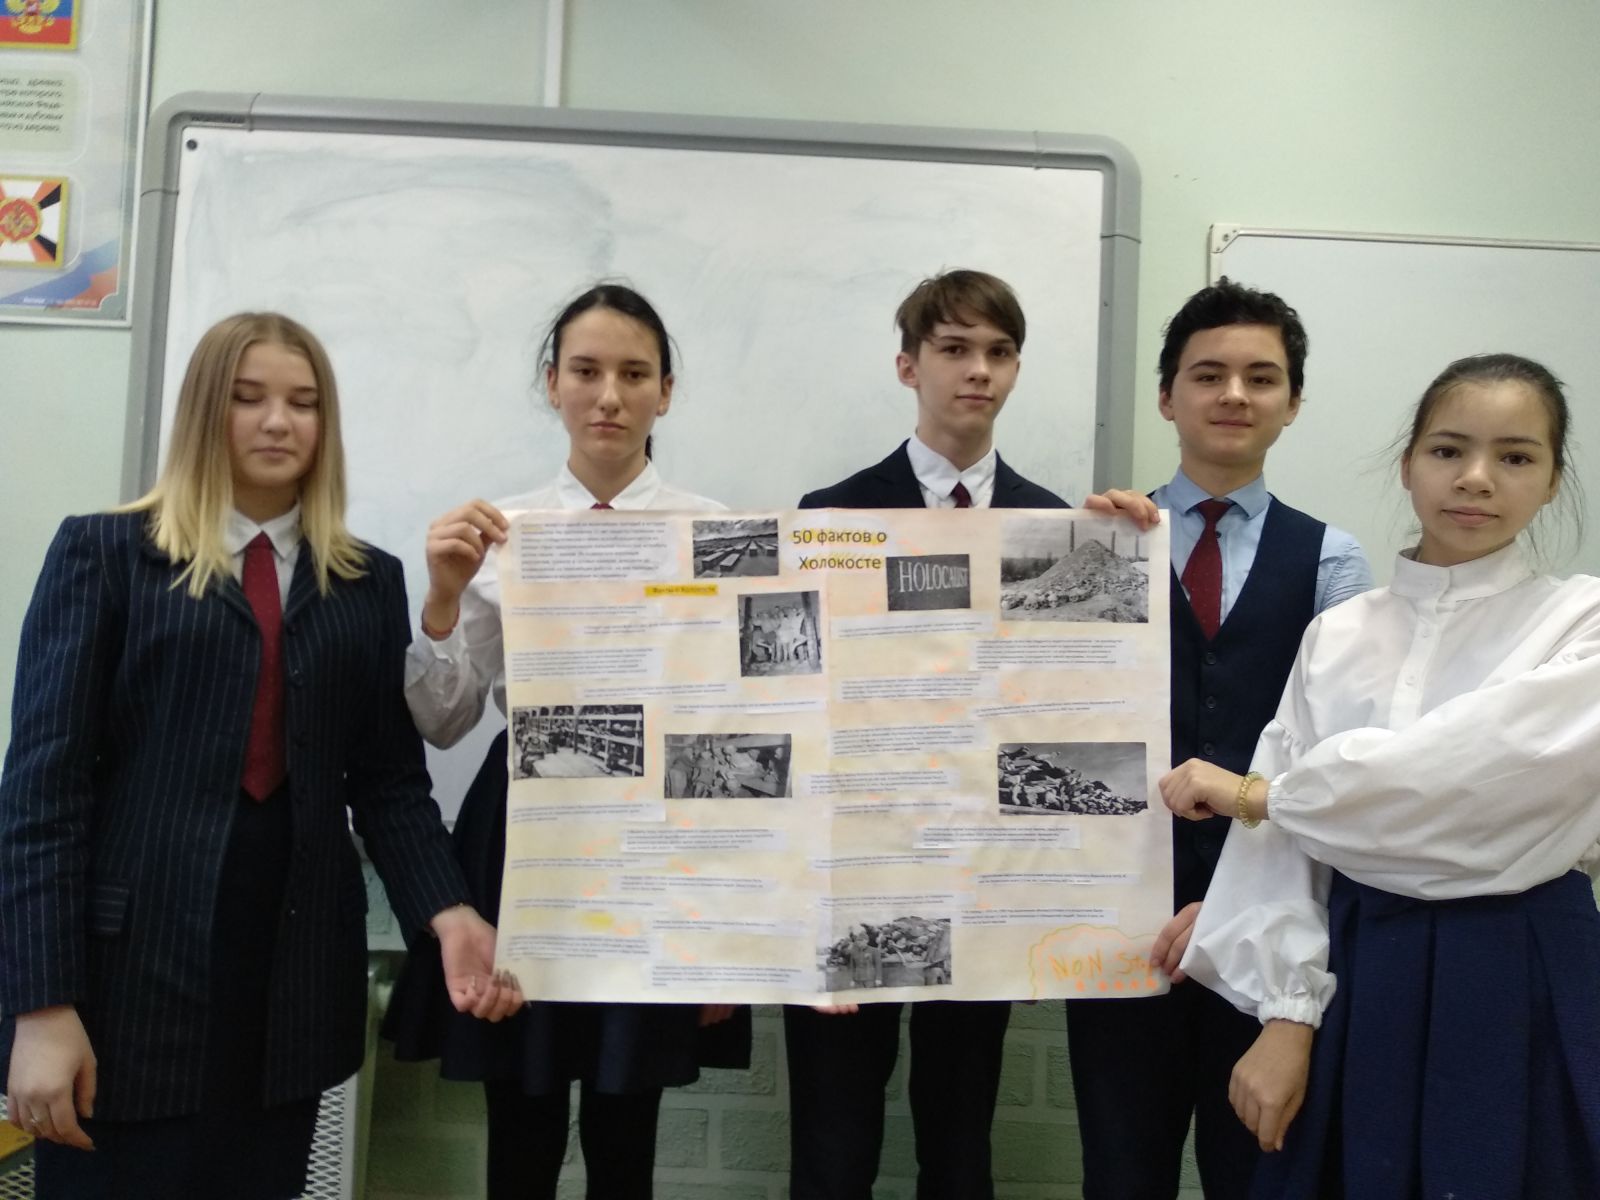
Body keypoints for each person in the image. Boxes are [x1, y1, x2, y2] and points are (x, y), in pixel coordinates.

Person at [0, 312, 518, 1200]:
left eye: (303, 403)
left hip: (289, 993)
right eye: (248, 399)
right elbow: (41, 796)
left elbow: (389, 784)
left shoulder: (365, 581)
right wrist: (43, 1007)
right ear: (208, 411)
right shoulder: (107, 554)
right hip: (122, 986)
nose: (279, 422)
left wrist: (450, 912)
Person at [1162, 353, 1600, 1199]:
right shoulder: (1339, 635)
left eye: (1515, 456)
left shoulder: (1581, 623)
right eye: (1448, 450)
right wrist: (1288, 1012)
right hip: (1358, 965)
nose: (1476, 478)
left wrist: (1270, 797)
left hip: (1521, 965)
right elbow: (1287, 851)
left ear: (1552, 481)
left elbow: (1464, 780)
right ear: (1408, 465)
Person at [788, 268, 1155, 1200]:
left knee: (960, 1141)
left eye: (998, 352)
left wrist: (1128, 552)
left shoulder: (1061, 525)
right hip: (854, 868)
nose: (977, 370)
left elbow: (1071, 714)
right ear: (909, 366)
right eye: (954, 349)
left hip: (985, 878)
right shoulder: (828, 514)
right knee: (834, 1138)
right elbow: (794, 706)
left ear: (1017, 369)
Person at [381, 283, 748, 1200]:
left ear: (667, 391)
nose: (609, 396)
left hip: (660, 832)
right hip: (528, 832)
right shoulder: (499, 535)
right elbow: (444, 721)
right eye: (585, 371)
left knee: (628, 1129)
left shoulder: (722, 533)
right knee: (522, 1118)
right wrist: (442, 597)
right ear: (552, 384)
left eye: (634, 374)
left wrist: (729, 929)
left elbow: (740, 724)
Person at [1067, 280, 1372, 1200]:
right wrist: (1069, 545)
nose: (1234, 394)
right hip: (1118, 928)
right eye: (1208, 375)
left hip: (1267, 936)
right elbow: (1045, 718)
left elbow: (1335, 762)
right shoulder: (1097, 540)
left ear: (1293, 402)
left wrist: (1238, 906)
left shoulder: (1334, 561)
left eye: (1261, 377)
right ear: (1167, 397)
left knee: (1258, 1179)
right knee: (1121, 1176)